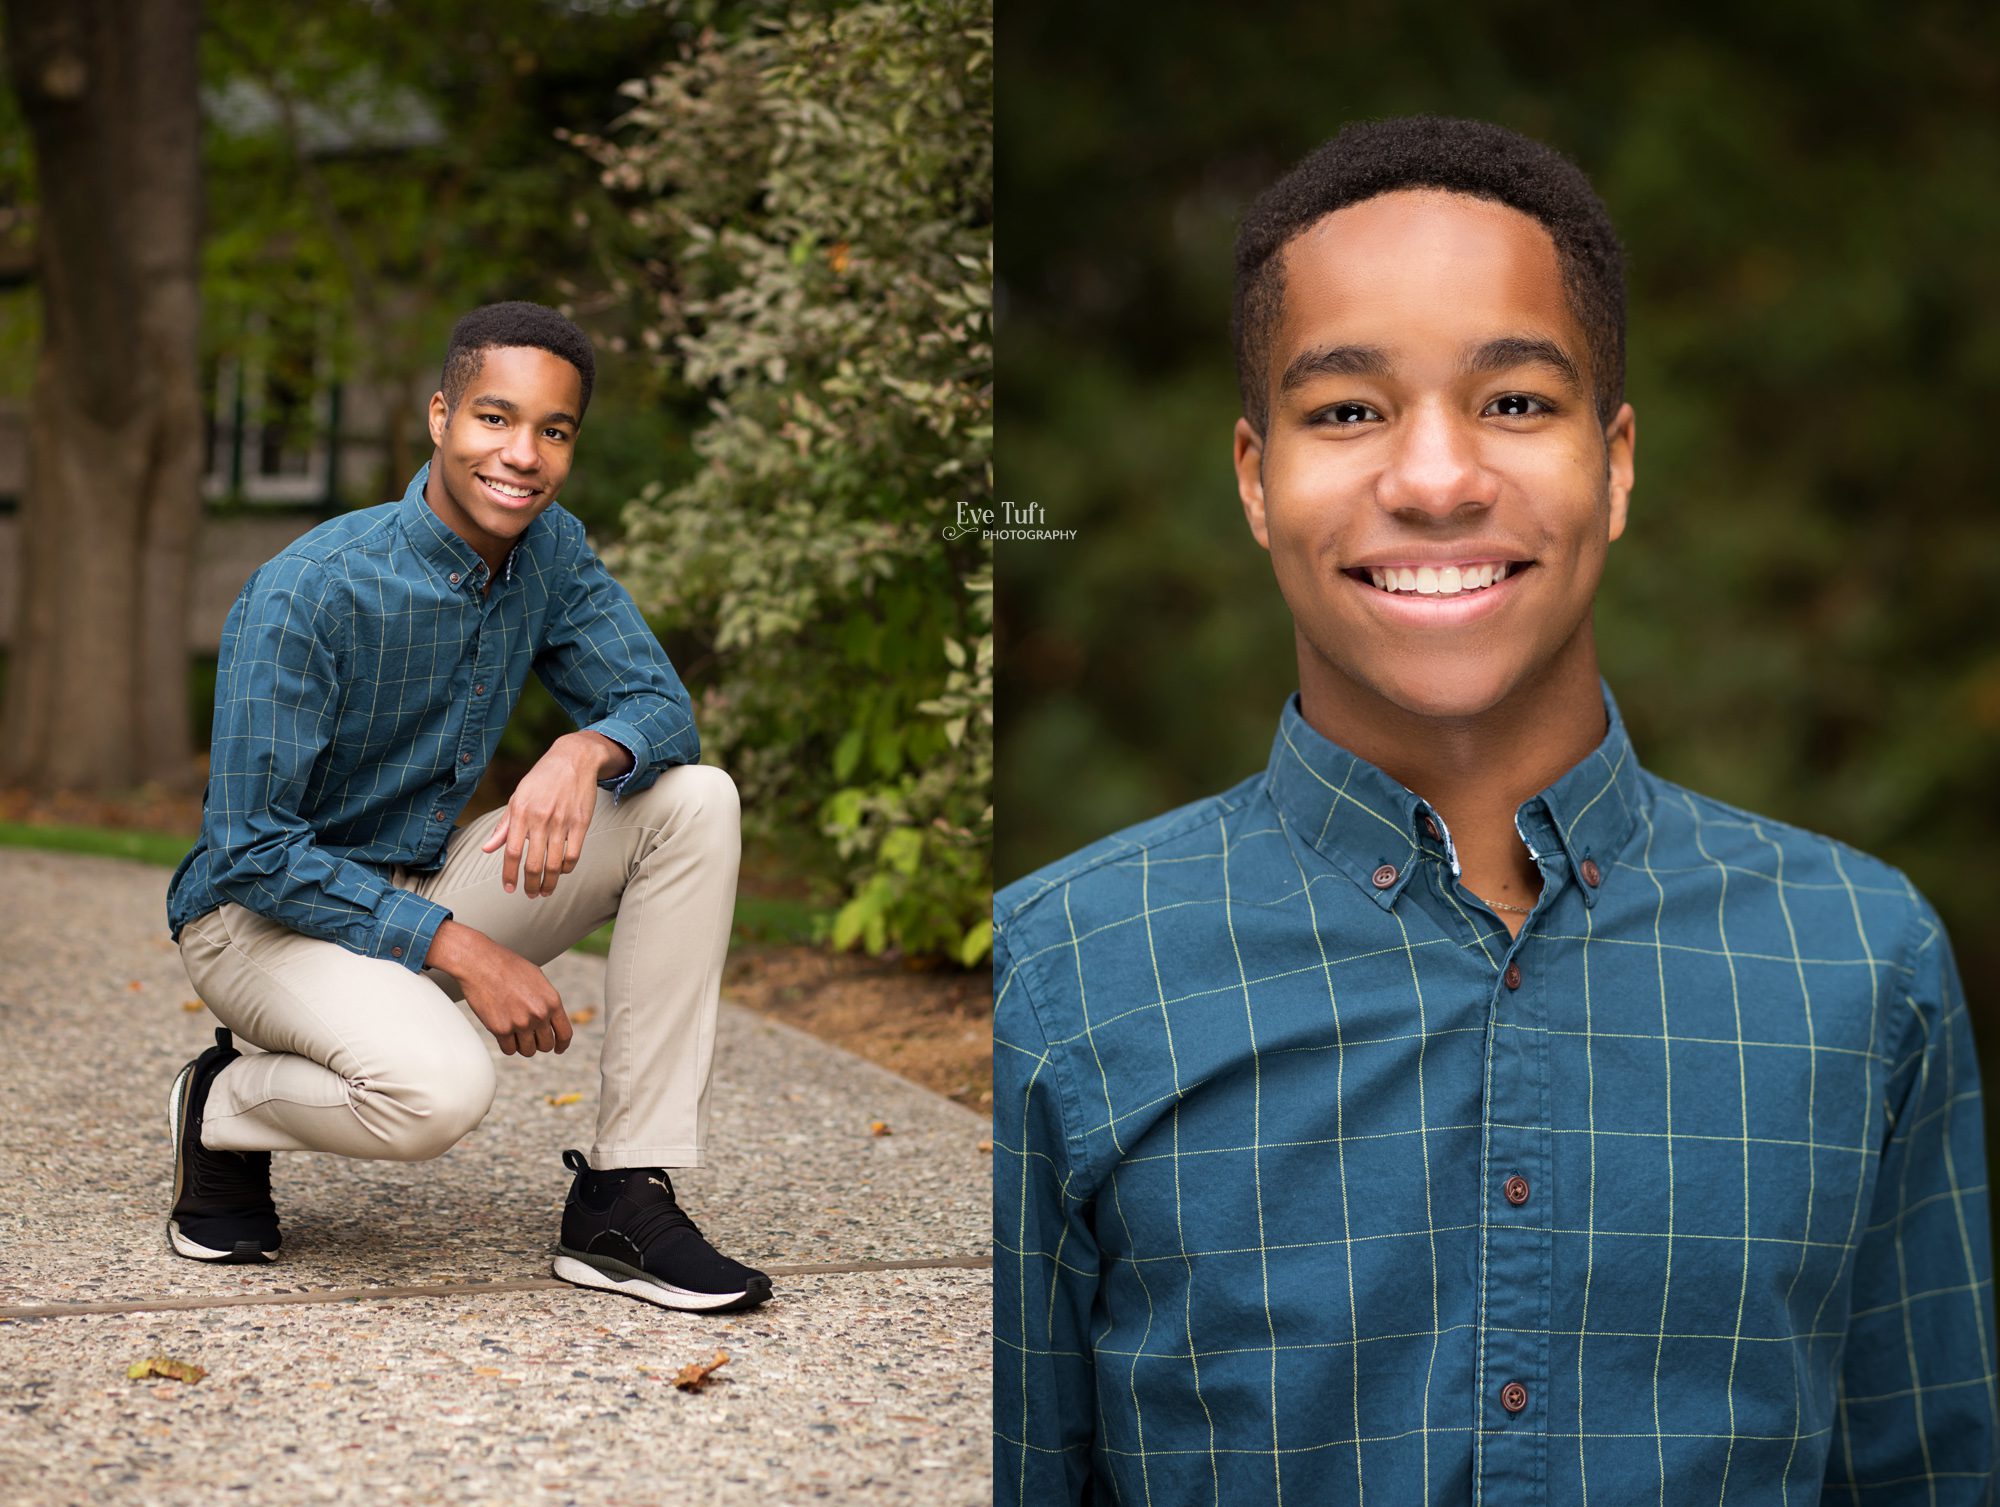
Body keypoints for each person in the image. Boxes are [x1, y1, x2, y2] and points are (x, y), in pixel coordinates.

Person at [992, 117, 1994, 1503]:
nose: (1438, 477)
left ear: (1619, 460)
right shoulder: (1061, 975)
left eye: (1516, 401)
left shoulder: (1861, 962)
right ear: (1254, 476)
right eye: (1346, 410)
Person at [165, 300, 770, 1313]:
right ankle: (223, 1103)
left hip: (419, 879)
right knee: (440, 1094)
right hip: (256, 918)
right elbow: (252, 849)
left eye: (554, 429)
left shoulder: (549, 553)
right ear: (441, 417)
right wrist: (463, 949)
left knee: (693, 799)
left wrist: (585, 746)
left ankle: (623, 1192)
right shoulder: (310, 588)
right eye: (495, 418)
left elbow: (661, 708)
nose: (522, 454)